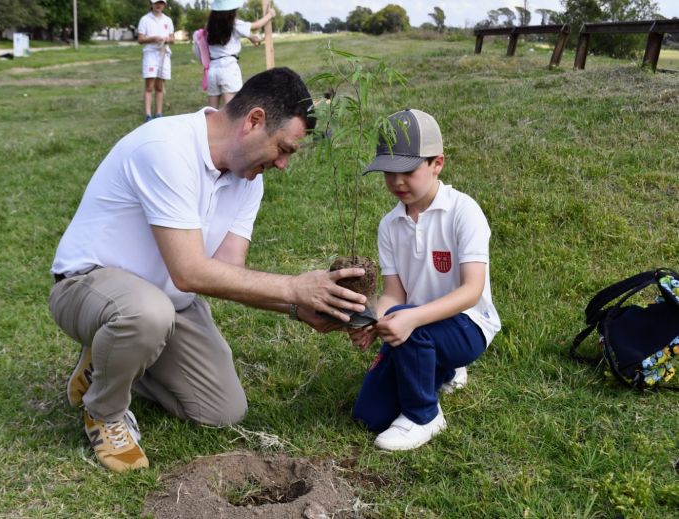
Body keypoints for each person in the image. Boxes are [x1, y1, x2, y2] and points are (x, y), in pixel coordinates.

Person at [48, 67, 367, 473]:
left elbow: (227, 273)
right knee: (145, 314)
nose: (284, 164)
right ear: (253, 121)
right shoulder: (167, 148)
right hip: (87, 285)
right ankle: (104, 411)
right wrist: (295, 287)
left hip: (166, 303)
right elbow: (191, 273)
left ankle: (110, 357)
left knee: (222, 409)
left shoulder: (249, 180)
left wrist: (295, 308)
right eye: (284, 148)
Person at [348, 109, 501, 451]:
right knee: (369, 415)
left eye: (407, 171)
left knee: (411, 324)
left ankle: (425, 416)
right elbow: (393, 293)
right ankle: (441, 371)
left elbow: (471, 290)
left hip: (467, 325)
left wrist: (410, 317)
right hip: (413, 327)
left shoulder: (463, 211)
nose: (397, 181)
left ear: (437, 164)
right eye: (388, 172)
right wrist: (375, 321)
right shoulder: (390, 225)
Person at [205, 0, 275, 108]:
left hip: (212, 70)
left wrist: (250, 37)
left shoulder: (209, 26)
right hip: (228, 69)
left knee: (211, 110)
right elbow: (256, 25)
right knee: (232, 110)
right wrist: (270, 15)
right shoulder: (234, 23)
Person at [137, 0, 174, 122]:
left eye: (161, 3)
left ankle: (159, 113)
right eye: (156, 3)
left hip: (163, 54)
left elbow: (173, 39)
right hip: (150, 55)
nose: (159, 5)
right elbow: (140, 39)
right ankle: (148, 115)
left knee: (160, 85)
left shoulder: (167, 20)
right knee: (149, 86)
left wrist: (168, 39)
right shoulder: (145, 19)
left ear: (164, 5)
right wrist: (153, 38)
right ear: (151, 4)